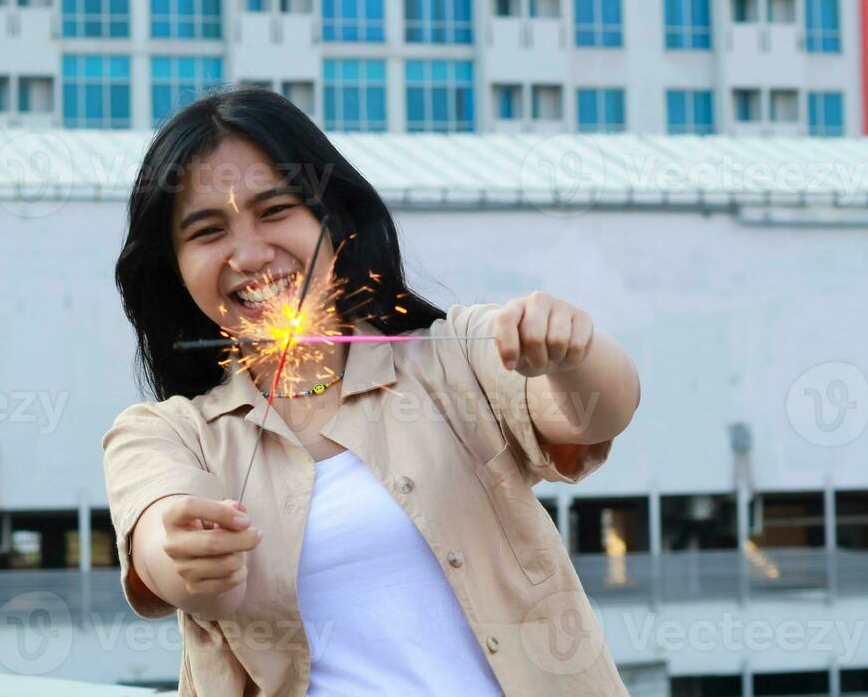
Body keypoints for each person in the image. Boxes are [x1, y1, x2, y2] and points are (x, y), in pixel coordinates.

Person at [103, 86, 641, 696]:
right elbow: (163, 543)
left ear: (333, 220)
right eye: (207, 231)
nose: (250, 254)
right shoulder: (167, 433)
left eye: (276, 209)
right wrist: (178, 548)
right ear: (171, 268)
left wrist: (574, 351)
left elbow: (597, 415)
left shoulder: (454, 355)